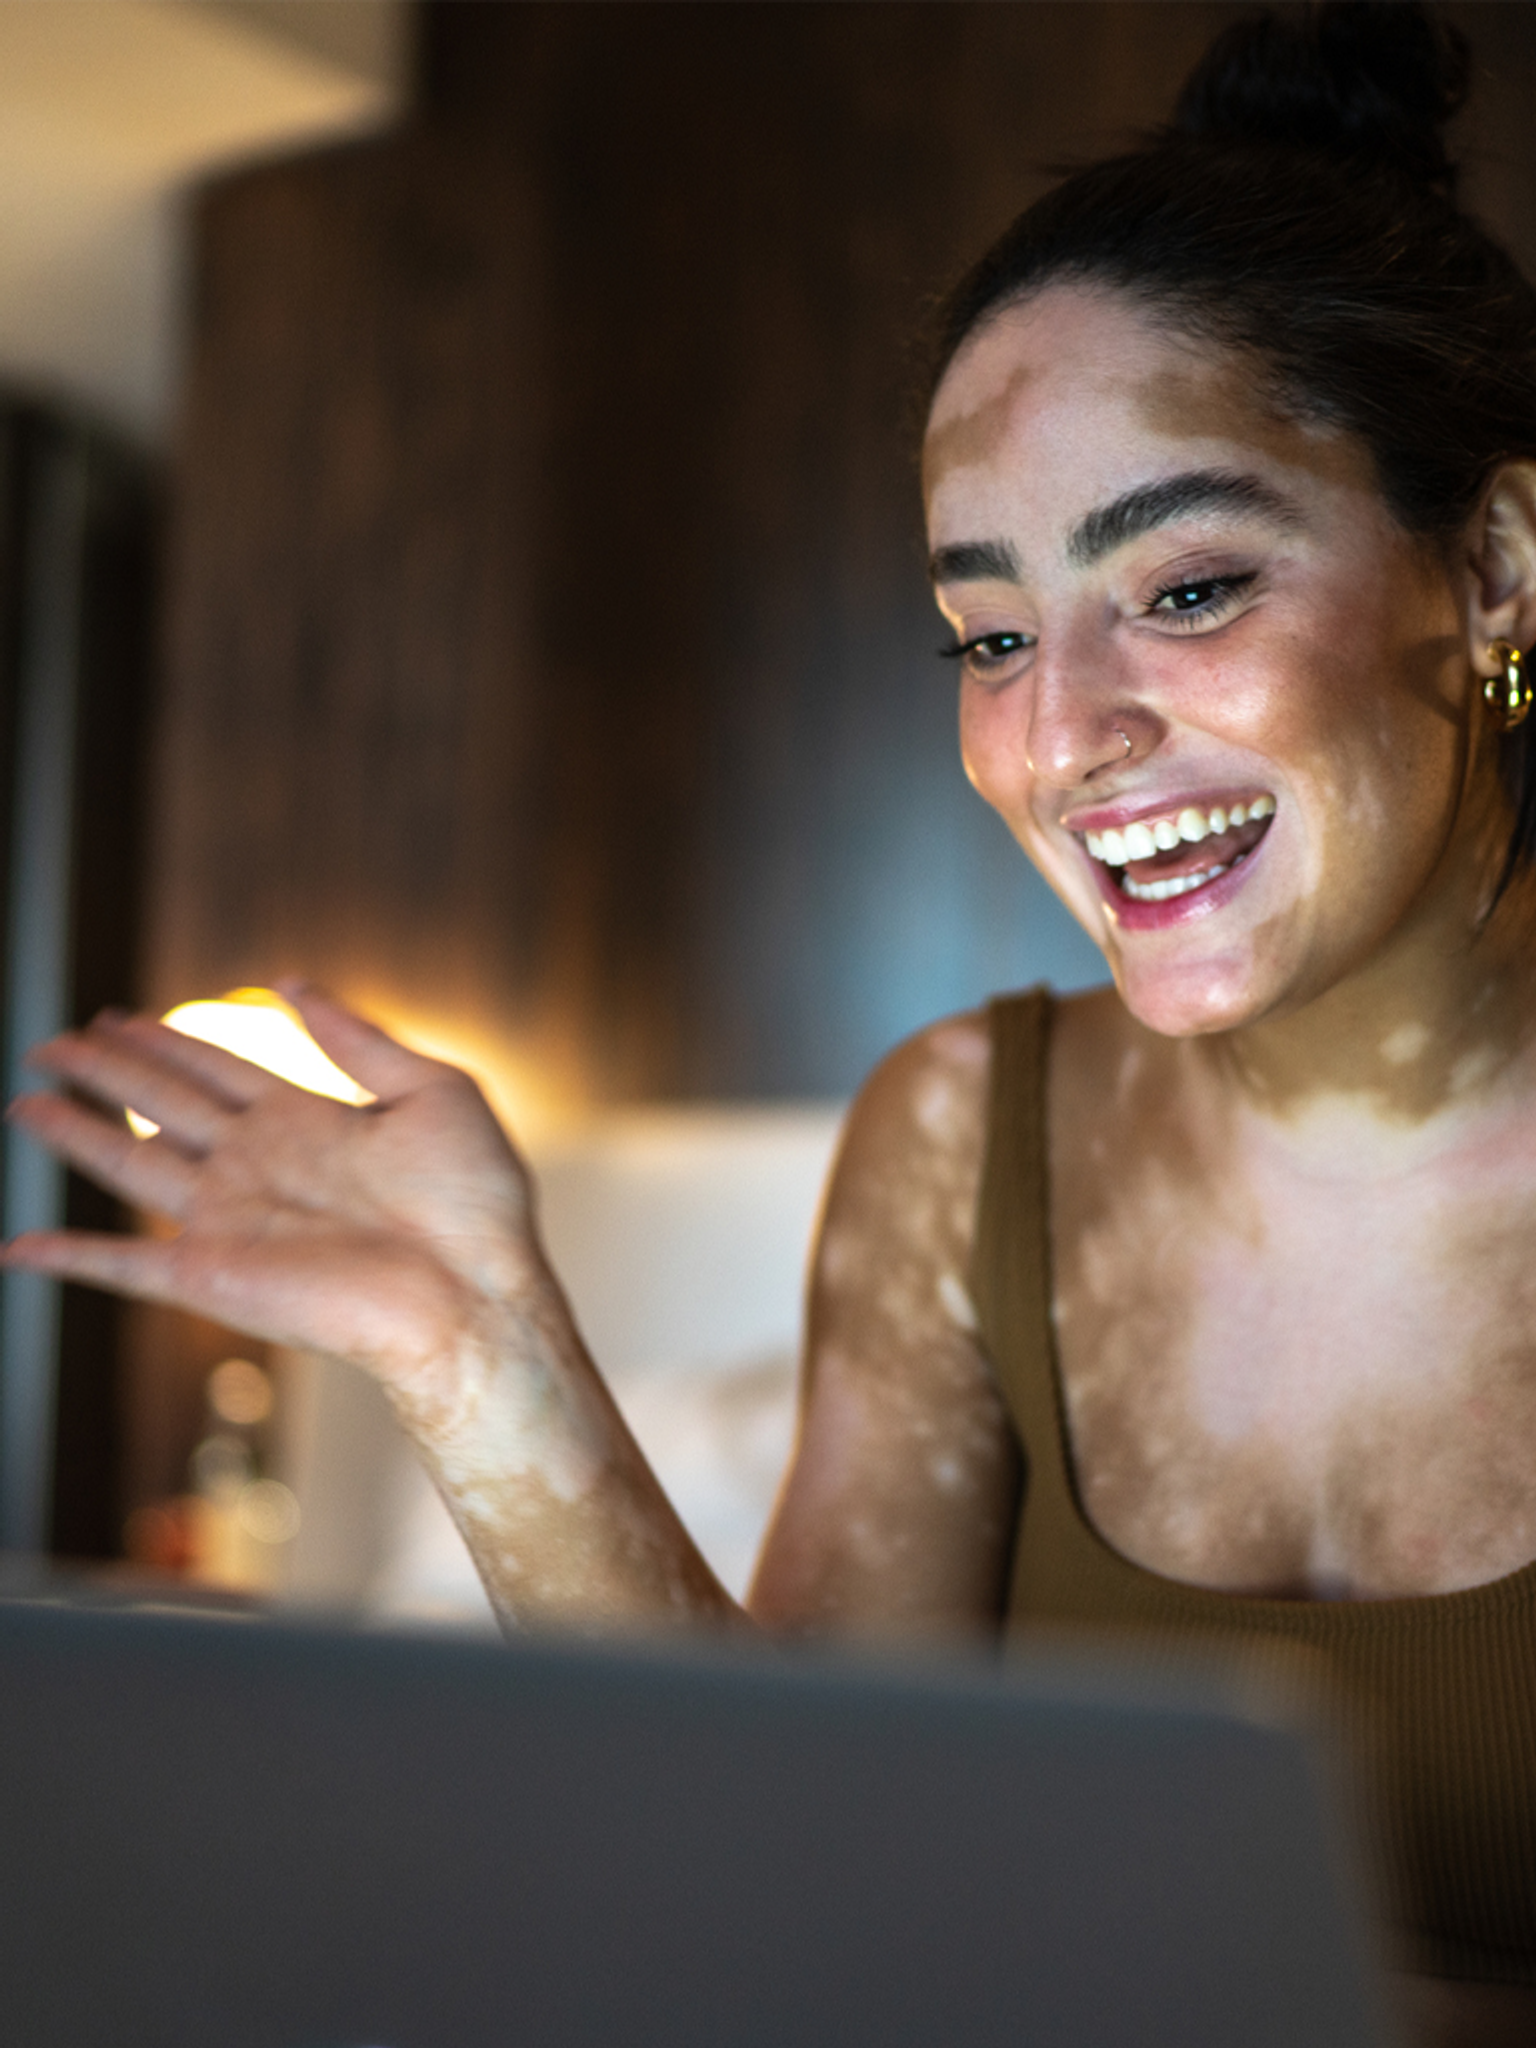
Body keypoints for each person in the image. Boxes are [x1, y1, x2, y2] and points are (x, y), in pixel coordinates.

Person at [6, 0, 1536, 2035]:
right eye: (987, 630)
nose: (1062, 733)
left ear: (1499, 567)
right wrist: (481, 1347)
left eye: (1184, 588)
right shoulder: (956, 1133)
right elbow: (796, 1869)